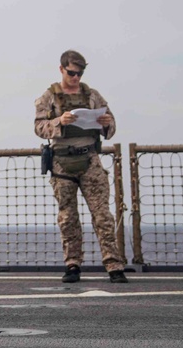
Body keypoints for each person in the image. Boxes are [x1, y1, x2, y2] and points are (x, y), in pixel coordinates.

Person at [34, 50, 128, 284]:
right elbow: (39, 127)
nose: (76, 77)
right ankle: (72, 264)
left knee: (102, 214)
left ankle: (113, 265)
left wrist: (106, 124)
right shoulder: (49, 97)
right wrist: (59, 122)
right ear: (61, 69)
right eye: (71, 72)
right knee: (68, 217)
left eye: (80, 73)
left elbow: (111, 124)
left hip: (89, 160)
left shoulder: (92, 95)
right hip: (61, 162)